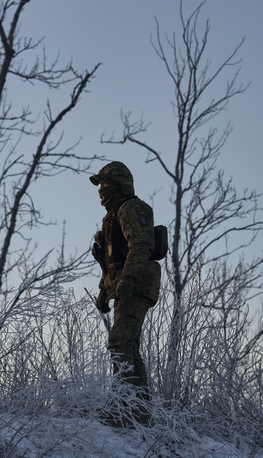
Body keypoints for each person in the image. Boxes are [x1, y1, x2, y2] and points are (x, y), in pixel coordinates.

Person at [90, 161, 161, 426]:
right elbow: (111, 262)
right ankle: (139, 414)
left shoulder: (132, 207)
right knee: (128, 344)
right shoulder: (112, 215)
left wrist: (128, 282)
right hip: (125, 285)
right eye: (100, 184)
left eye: (105, 184)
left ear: (118, 185)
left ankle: (124, 409)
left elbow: (141, 245)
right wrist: (103, 291)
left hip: (138, 283)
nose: (101, 189)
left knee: (120, 341)